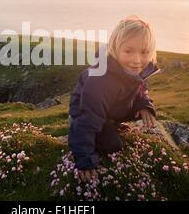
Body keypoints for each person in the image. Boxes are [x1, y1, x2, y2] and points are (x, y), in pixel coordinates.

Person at [68, 15, 161, 182]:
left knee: (138, 112)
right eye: (128, 51)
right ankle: (79, 127)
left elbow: (139, 88)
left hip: (113, 106)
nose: (137, 60)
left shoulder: (135, 69)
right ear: (114, 48)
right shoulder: (100, 81)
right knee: (113, 146)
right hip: (85, 112)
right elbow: (87, 120)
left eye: (144, 52)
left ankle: (110, 122)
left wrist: (143, 104)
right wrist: (85, 161)